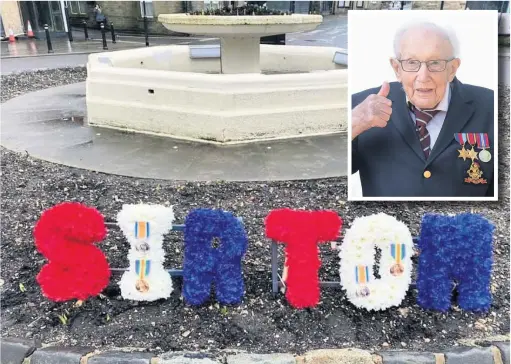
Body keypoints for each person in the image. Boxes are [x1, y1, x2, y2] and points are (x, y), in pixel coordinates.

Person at [351, 21, 494, 198]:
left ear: (452, 69)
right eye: (412, 62)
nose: (423, 76)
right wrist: (354, 124)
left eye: (434, 63)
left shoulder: (492, 106)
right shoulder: (361, 107)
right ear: (397, 68)